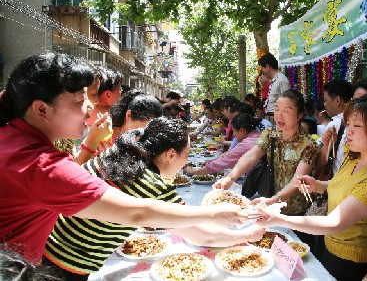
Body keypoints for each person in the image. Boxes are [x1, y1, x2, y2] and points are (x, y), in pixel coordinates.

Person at [0, 53, 248, 264]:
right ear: (41, 109)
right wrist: (215, 214)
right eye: (79, 100)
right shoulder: (39, 164)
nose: (90, 107)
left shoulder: (13, 140)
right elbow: (138, 213)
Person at [43, 117, 265, 280]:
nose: (183, 166)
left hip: (45, 244)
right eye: (185, 156)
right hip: (67, 266)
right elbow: (198, 233)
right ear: (170, 154)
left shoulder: (117, 153)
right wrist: (246, 235)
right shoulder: (152, 184)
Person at [257, 96, 367, 280]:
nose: (348, 131)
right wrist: (318, 185)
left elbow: (334, 222)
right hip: (329, 246)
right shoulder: (355, 156)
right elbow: (344, 187)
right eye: (347, 124)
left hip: (352, 262)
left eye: (356, 126)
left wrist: (278, 218)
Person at [214, 89, 319, 216]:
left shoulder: (308, 145)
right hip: (269, 206)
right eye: (277, 109)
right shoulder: (270, 134)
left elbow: (296, 181)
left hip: (295, 211)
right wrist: (230, 178)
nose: (279, 115)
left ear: (299, 115)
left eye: (286, 111)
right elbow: (251, 155)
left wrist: (274, 200)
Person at [184, 113, 261, 177]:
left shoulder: (247, 144)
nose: (234, 134)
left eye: (234, 131)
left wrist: (193, 171)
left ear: (241, 130)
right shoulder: (257, 135)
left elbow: (225, 160)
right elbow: (229, 155)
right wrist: (211, 161)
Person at [316, 80, 354, 176]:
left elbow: (315, 155)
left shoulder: (335, 124)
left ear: (337, 100)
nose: (324, 104)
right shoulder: (337, 123)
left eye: (325, 100)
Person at [258, 53, 291, 122]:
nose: (262, 72)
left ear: (267, 66)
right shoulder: (273, 81)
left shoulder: (281, 80)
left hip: (277, 118)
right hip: (270, 117)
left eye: (262, 68)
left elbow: (287, 102)